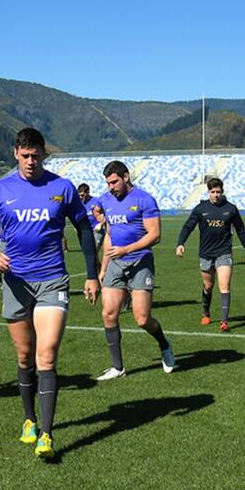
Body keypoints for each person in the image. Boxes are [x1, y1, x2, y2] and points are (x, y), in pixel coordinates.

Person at [0, 127, 100, 460]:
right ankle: (28, 419)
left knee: (46, 355)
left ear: (44, 154)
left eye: (36, 155)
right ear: (16, 153)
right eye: (25, 155)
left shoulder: (61, 187)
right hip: (15, 282)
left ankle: (46, 433)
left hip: (52, 281)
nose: (31, 161)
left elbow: (84, 228)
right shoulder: (2, 189)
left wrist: (91, 275)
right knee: (24, 356)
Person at [93, 161, 175, 380]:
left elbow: (155, 235)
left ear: (126, 177)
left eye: (114, 181)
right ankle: (118, 367)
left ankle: (164, 344)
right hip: (115, 264)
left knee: (142, 318)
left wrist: (126, 249)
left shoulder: (144, 199)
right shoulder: (106, 200)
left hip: (140, 262)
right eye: (108, 183)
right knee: (109, 313)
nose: (110, 187)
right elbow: (109, 234)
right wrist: (103, 269)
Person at [176, 177, 245, 331]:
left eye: (218, 192)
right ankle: (206, 312)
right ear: (208, 192)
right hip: (205, 253)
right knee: (208, 286)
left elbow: (241, 230)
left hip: (224, 252)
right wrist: (180, 243)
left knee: (224, 286)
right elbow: (188, 226)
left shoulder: (231, 209)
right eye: (213, 192)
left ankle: (224, 322)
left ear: (222, 192)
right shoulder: (200, 208)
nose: (216, 195)